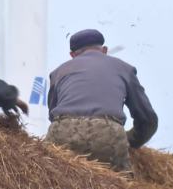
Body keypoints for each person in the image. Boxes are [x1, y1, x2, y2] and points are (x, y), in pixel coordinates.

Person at [45, 29, 158, 172]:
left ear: (72, 55)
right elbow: (147, 120)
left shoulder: (58, 72)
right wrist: (129, 141)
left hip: (63, 132)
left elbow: (52, 115)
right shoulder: (124, 69)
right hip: (107, 133)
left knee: (48, 176)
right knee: (120, 182)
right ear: (104, 50)